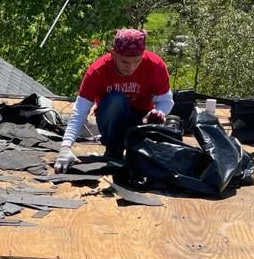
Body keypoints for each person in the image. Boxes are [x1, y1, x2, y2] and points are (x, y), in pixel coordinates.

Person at [54, 28, 174, 173]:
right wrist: (65, 147)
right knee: (115, 99)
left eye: (137, 62)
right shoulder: (98, 71)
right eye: (125, 62)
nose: (131, 68)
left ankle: (136, 149)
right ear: (113, 53)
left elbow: (166, 101)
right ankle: (113, 149)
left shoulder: (155, 65)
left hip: (141, 121)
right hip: (112, 120)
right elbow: (79, 112)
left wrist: (159, 112)